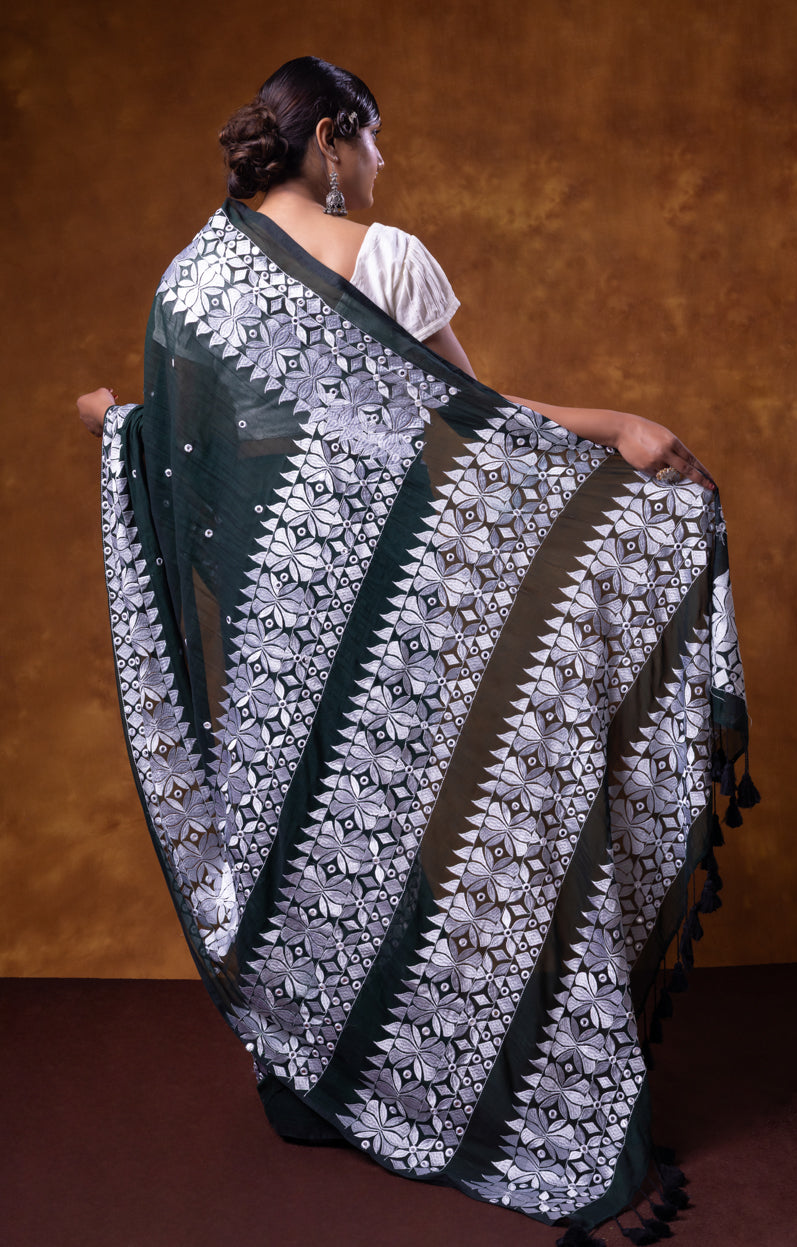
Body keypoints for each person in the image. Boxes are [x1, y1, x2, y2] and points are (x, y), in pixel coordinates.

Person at [79, 57, 753, 1245]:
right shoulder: (385, 255)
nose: (382, 169)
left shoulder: (195, 283)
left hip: (283, 629)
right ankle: (472, 1076)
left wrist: (113, 423)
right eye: (376, 145)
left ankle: (318, 1080)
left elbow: (203, 459)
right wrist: (624, 428)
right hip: (404, 599)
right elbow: (480, 426)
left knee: (312, 842)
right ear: (333, 137)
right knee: (440, 832)